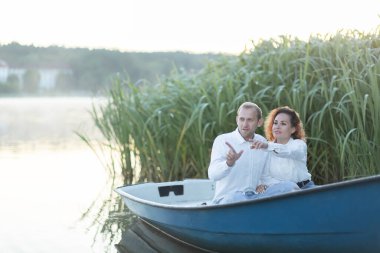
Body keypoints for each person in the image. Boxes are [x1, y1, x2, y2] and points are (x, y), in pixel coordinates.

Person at [208, 102, 269, 204]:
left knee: (287, 187)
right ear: (237, 120)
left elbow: (266, 175)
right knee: (238, 198)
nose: (245, 124)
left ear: (259, 122)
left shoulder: (262, 142)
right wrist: (229, 163)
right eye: (242, 119)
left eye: (250, 120)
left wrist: (264, 185)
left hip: (254, 198)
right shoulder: (222, 140)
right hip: (227, 200)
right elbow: (213, 175)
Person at [251, 106, 314, 195]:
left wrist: (268, 146)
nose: (277, 127)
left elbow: (289, 152)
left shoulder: (299, 145)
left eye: (283, 124)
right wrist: (285, 186)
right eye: (275, 123)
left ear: (293, 129)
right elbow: (265, 177)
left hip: (305, 188)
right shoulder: (266, 148)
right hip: (281, 192)